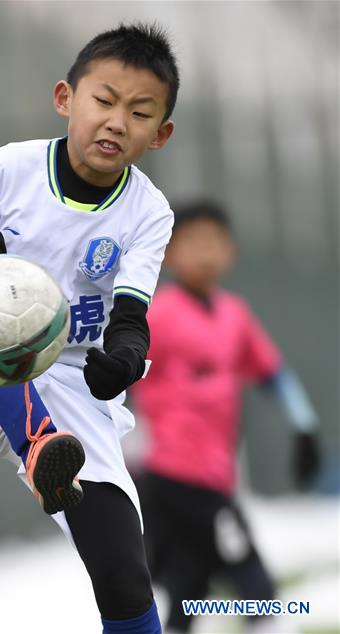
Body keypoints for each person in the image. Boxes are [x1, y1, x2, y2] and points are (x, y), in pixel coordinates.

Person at [0, 23, 179, 634]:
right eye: (103, 100)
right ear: (65, 99)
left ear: (159, 135)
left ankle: (48, 452)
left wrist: (126, 358)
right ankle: (35, 444)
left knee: (124, 573)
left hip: (71, 387)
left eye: (139, 113)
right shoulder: (6, 169)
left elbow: (131, 317)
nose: (115, 122)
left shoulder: (148, 211)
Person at [130, 200, 321, 633]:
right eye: (193, 242)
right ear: (169, 252)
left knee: (188, 590)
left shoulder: (234, 315)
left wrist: (304, 427)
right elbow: (115, 379)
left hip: (215, 475)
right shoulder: (157, 314)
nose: (206, 252)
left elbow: (273, 373)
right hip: (175, 477)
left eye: (215, 241)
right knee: (255, 585)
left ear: (231, 250)